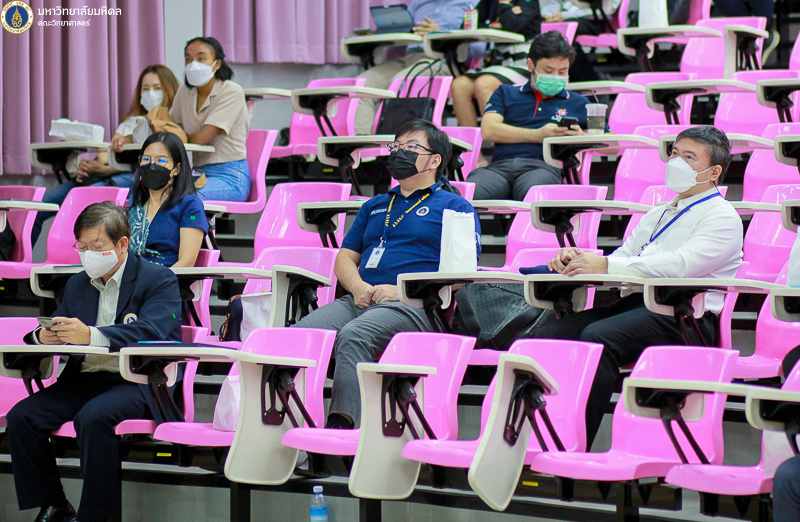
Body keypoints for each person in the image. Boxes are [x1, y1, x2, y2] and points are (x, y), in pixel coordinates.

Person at [533, 126, 743, 448]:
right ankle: (540, 438)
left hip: (684, 317)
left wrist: (606, 265)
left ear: (714, 172)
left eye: (689, 157)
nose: (676, 162)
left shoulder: (722, 216)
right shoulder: (659, 212)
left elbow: (681, 267)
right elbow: (625, 257)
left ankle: (573, 445)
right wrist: (580, 259)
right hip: (637, 305)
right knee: (549, 335)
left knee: (598, 337)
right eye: (675, 153)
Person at [294, 119, 481, 429]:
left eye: (411, 147)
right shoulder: (375, 204)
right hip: (361, 298)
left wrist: (403, 290)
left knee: (355, 335)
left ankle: (342, 429)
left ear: (435, 160)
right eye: (396, 146)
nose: (398, 152)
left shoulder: (455, 206)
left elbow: (461, 273)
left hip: (415, 305)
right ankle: (287, 427)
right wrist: (357, 287)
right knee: (296, 337)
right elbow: (345, 257)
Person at [7, 202, 182, 522]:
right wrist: (43, 337)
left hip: (135, 381)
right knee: (22, 417)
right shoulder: (77, 283)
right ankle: (54, 505)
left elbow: (152, 331)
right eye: (82, 247)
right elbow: (58, 324)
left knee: (93, 417)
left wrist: (91, 335)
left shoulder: (158, 279)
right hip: (84, 379)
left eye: (97, 246)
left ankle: (95, 517)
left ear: (122, 244)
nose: (88, 254)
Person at [33, 65, 180, 245]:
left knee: (82, 201)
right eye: (145, 88)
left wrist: (105, 169)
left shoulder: (172, 124)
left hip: (132, 178)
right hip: (104, 175)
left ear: (170, 90)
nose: (150, 93)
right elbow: (108, 154)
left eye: (157, 88)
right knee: (40, 205)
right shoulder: (131, 122)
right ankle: (14, 259)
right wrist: (91, 167)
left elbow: (148, 166)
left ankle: (77, 254)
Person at [468, 31, 606, 200]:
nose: (555, 77)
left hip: (543, 168)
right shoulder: (505, 93)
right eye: (548, 70)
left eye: (562, 72)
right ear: (530, 65)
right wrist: (538, 135)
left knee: (533, 193)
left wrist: (582, 138)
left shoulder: (579, 102)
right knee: (467, 194)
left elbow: (613, 145)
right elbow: (488, 130)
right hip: (498, 169)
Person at [354, 0, 472, 134]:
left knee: (402, 81)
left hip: (443, 59)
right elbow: (402, 35)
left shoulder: (471, 3)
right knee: (362, 84)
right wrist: (381, 34)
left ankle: (398, 143)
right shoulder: (419, 3)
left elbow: (479, 48)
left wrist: (440, 34)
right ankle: (363, 144)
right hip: (410, 58)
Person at [156, 36, 251, 202]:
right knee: (152, 192)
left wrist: (179, 134)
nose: (193, 64)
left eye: (201, 58)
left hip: (230, 176)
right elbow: (169, 128)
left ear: (217, 63)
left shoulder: (231, 91)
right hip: (197, 173)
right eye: (188, 59)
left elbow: (202, 138)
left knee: (180, 198)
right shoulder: (185, 91)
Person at [451, 0, 544, 127]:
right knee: (459, 85)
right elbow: (468, 24)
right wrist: (492, 25)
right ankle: (471, 139)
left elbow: (512, 26)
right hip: (498, 62)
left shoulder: (528, 2)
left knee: (483, 84)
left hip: (524, 63)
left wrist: (504, 4)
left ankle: (497, 136)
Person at [128, 132, 208, 267]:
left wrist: (155, 279)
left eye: (161, 161)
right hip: (132, 276)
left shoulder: (190, 205)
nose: (151, 165)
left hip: (167, 277)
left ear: (176, 169)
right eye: (146, 159)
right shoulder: (135, 204)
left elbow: (186, 263)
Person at [539, 0, 622, 82]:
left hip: (591, 20)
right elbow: (556, 2)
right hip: (563, 18)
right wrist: (548, 14)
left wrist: (565, 15)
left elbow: (607, 10)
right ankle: (588, 80)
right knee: (561, 41)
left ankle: (590, 80)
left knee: (563, 34)